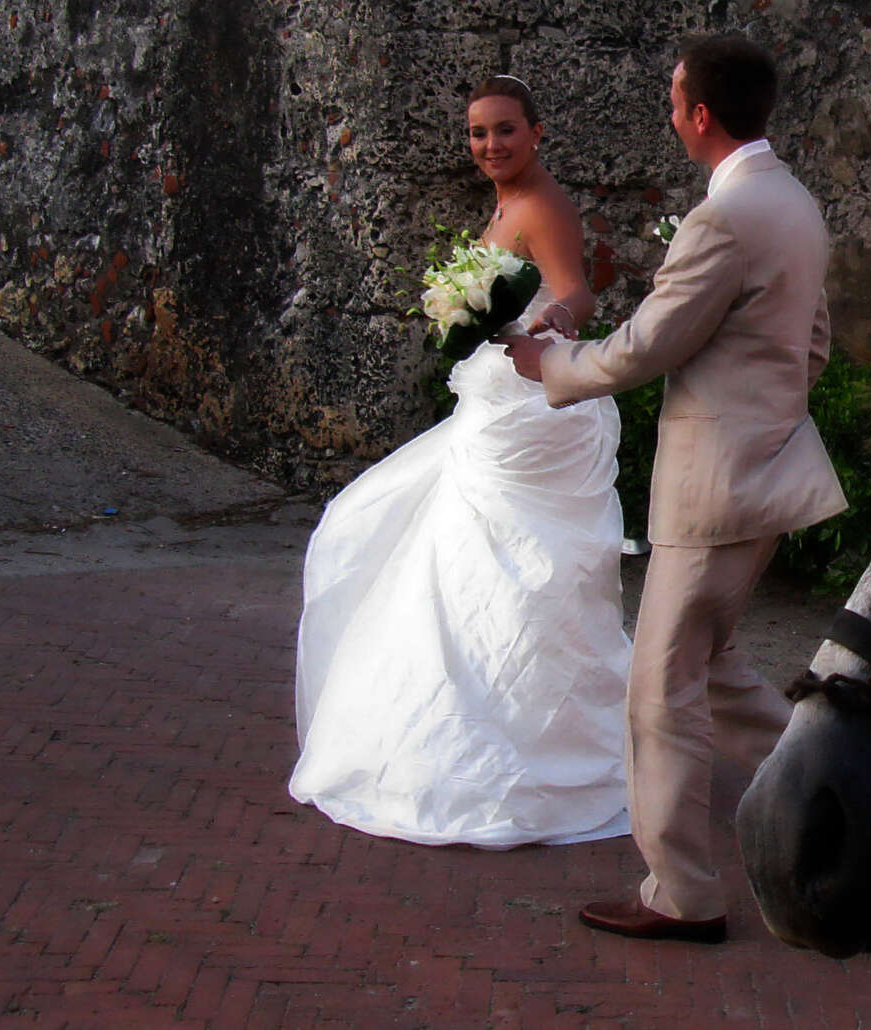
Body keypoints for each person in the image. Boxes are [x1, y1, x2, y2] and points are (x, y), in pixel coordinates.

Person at [507, 34, 847, 944]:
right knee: (713, 666)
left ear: (700, 114)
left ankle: (682, 893)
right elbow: (812, 343)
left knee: (660, 691)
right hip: (769, 471)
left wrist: (551, 364)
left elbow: (649, 346)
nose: (669, 114)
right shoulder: (794, 202)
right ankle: (835, 789)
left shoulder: (725, 217)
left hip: (715, 487)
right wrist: (767, 414)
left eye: (672, 100)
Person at [288, 75, 632, 850]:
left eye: (505, 130)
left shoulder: (541, 204)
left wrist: (542, 326)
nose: (490, 145)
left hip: (529, 422)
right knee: (436, 556)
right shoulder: (506, 205)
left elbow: (576, 294)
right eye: (478, 133)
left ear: (536, 132)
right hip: (493, 413)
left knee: (517, 573)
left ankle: (531, 747)